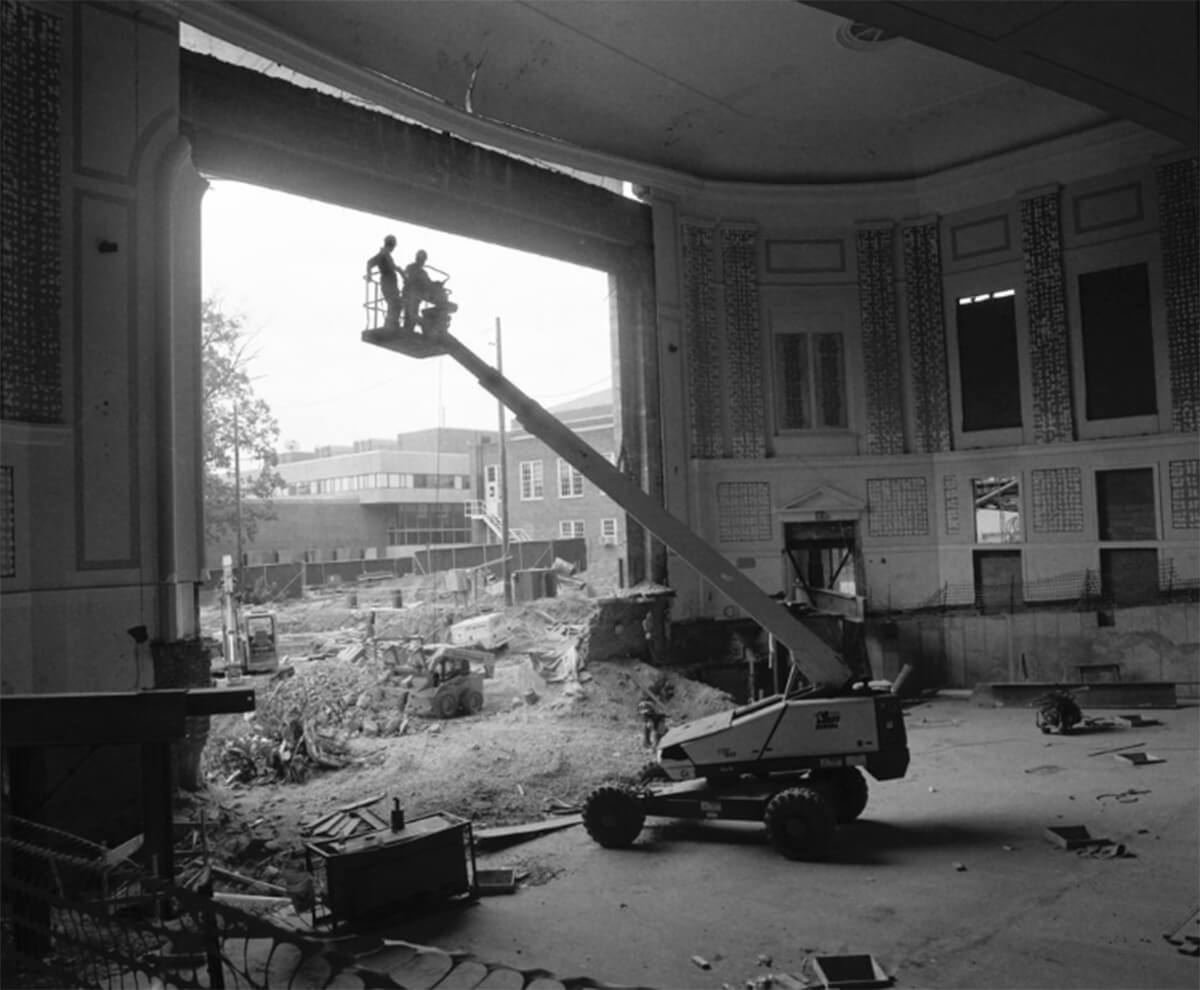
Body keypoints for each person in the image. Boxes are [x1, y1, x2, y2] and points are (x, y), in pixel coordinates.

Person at [366, 235, 401, 329]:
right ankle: (390, 325)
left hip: (391, 283)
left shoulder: (386, 255)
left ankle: (392, 324)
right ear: (392, 245)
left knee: (395, 304)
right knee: (394, 303)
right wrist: (369, 275)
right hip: (387, 283)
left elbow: (393, 267)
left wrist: (401, 272)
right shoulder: (383, 254)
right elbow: (370, 262)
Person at [401, 249, 435, 331]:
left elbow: (428, 283)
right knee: (411, 315)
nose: (422, 262)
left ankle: (409, 330)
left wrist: (434, 285)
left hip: (413, 297)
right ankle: (425, 324)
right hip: (411, 295)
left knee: (410, 315)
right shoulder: (413, 269)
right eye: (422, 259)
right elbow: (410, 279)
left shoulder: (419, 271)